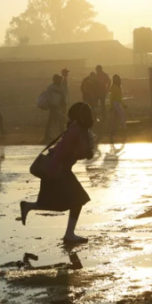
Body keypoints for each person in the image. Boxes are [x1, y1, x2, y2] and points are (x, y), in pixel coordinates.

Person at [20, 102, 95, 244]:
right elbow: (61, 151)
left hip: (60, 168)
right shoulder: (75, 129)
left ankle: (28, 206)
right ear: (80, 115)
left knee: (56, 202)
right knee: (78, 199)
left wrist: (85, 153)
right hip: (58, 168)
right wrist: (53, 170)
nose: (90, 117)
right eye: (87, 114)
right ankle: (69, 235)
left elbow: (75, 151)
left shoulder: (80, 129)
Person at [43, 74, 66, 143]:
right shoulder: (51, 87)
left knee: (50, 121)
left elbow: (63, 96)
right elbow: (48, 97)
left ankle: (47, 135)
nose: (60, 81)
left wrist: (63, 103)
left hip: (57, 106)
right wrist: (51, 104)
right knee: (60, 119)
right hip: (53, 106)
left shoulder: (60, 87)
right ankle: (63, 134)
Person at [109, 74, 127, 143]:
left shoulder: (118, 87)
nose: (116, 80)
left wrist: (124, 104)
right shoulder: (114, 87)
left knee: (115, 118)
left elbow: (120, 98)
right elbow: (112, 98)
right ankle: (124, 128)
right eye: (115, 79)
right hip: (115, 104)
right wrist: (111, 106)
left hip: (118, 103)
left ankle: (112, 131)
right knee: (122, 115)